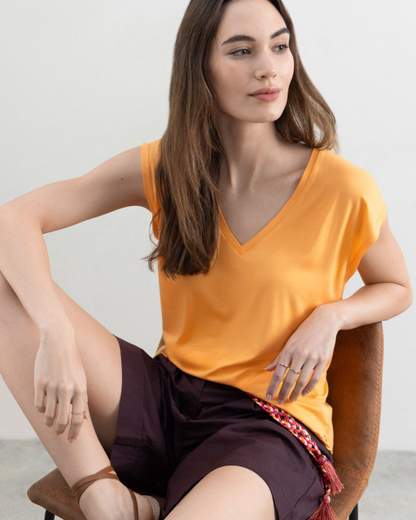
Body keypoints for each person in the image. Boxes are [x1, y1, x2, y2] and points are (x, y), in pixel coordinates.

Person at [0, 0, 413, 519]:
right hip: (167, 398)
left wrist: (334, 315)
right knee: (8, 286)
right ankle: (102, 492)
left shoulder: (343, 188)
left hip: (267, 428)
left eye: (280, 46)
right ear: (201, 67)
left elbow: (397, 286)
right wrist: (54, 332)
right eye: (241, 51)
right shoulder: (167, 167)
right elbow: (12, 219)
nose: (268, 68)